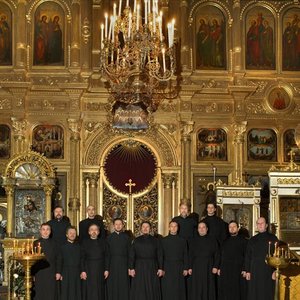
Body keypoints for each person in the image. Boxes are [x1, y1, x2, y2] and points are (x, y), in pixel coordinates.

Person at [245, 217, 278, 300]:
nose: (260, 225)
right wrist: (248, 271)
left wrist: (275, 271)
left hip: (268, 271)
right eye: (258, 223)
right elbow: (248, 256)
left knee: (267, 293)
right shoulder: (252, 239)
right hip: (254, 271)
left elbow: (277, 256)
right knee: (254, 293)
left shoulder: (273, 238)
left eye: (262, 223)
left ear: (266, 225)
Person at [129, 221, 163, 300]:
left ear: (150, 229)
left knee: (152, 287)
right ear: (141, 229)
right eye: (143, 227)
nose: (145, 228)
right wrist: (131, 268)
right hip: (139, 267)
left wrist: (160, 268)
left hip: (152, 266)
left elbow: (160, 255)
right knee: (139, 288)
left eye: (147, 227)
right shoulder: (136, 240)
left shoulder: (156, 241)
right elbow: (131, 255)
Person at [188, 221, 219, 300]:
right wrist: (190, 267)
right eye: (199, 228)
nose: (201, 229)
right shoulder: (193, 240)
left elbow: (217, 254)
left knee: (208, 286)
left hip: (209, 266)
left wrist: (215, 266)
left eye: (203, 227)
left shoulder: (213, 240)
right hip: (196, 266)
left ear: (207, 229)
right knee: (196, 287)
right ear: (197, 230)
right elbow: (190, 255)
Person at [218, 221, 248, 300]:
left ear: (238, 228)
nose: (232, 228)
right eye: (230, 227)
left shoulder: (244, 241)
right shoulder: (224, 242)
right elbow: (221, 256)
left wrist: (245, 269)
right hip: (226, 270)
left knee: (238, 292)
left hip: (238, 270)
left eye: (234, 227)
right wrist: (219, 268)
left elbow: (247, 256)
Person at [161, 221, 188, 300]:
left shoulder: (183, 240)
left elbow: (185, 255)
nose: (173, 228)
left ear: (178, 228)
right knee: (168, 288)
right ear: (169, 228)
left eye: (175, 226)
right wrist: (161, 268)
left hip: (179, 267)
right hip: (167, 267)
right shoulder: (163, 240)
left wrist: (186, 268)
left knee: (179, 288)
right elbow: (161, 255)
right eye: (171, 226)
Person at [80, 224, 109, 300]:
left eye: (96, 230)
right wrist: (83, 270)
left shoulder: (103, 242)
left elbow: (106, 256)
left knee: (100, 289)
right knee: (90, 290)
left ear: (98, 232)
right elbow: (82, 257)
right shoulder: (84, 242)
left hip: (100, 268)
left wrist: (106, 269)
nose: (94, 231)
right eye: (92, 230)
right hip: (88, 269)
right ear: (89, 232)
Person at [32, 223, 60, 300]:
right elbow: (33, 260)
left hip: (51, 271)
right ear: (40, 231)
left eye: (47, 229)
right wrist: (33, 274)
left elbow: (58, 258)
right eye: (43, 229)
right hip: (39, 272)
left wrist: (58, 272)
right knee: (39, 292)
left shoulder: (55, 243)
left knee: (51, 292)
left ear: (50, 231)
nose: (45, 231)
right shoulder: (36, 243)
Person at [106, 218, 131, 300]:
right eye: (116, 224)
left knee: (123, 284)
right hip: (112, 264)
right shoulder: (109, 238)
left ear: (123, 225)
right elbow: (107, 254)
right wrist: (107, 268)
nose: (118, 226)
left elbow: (130, 253)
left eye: (120, 224)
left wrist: (130, 267)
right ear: (113, 225)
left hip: (124, 264)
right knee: (113, 284)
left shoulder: (127, 237)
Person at [57, 226, 81, 300]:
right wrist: (59, 272)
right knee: (65, 293)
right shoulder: (62, 247)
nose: (72, 235)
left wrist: (82, 271)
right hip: (65, 272)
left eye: (74, 233)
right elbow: (59, 260)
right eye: (70, 233)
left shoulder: (79, 247)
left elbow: (82, 260)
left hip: (77, 272)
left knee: (76, 292)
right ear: (66, 235)